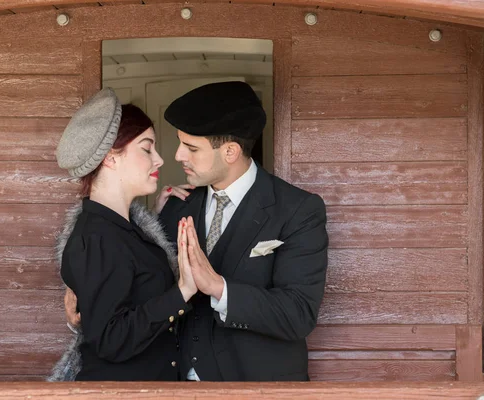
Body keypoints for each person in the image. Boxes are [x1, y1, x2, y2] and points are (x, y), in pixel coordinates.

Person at [65, 81, 329, 381]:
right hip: (175, 386)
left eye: (191, 148)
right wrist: (87, 291)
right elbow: (137, 292)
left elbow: (298, 314)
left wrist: (219, 288)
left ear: (230, 152)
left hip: (257, 388)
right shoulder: (176, 207)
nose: (177, 156)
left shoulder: (298, 210)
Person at [49, 88, 197, 381]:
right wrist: (184, 290)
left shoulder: (119, 230)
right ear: (110, 158)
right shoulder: (98, 238)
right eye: (146, 148)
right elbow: (110, 340)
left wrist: (153, 221)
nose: (159, 160)